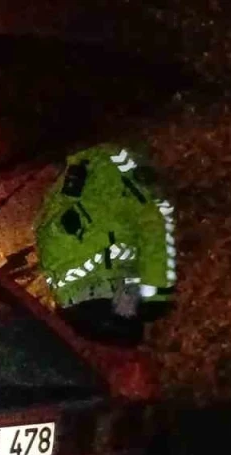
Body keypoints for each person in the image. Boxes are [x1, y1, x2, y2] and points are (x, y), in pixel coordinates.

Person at [34, 143, 176, 347]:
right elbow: (152, 223)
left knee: (129, 333)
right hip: (83, 298)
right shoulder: (97, 170)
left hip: (87, 296)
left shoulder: (95, 174)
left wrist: (155, 292)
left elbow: (152, 222)